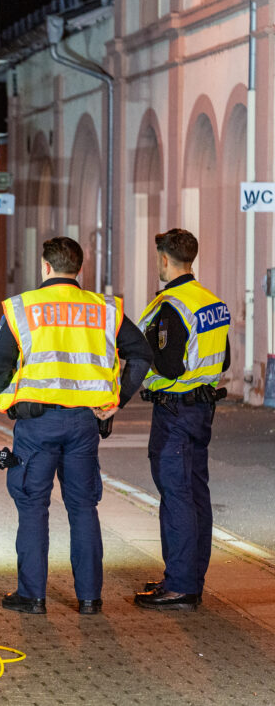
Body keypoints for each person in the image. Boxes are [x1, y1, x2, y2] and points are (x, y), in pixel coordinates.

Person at [0, 236, 152, 615]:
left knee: (33, 505)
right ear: (80, 269)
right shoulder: (103, 309)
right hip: (84, 423)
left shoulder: (23, 308)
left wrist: (13, 405)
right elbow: (141, 353)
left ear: (45, 266)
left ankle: (32, 596)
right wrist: (116, 401)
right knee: (83, 507)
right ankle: (90, 599)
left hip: (37, 424)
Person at [133, 229, 230, 611]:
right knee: (195, 494)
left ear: (164, 259)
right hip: (202, 409)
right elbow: (224, 360)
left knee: (176, 497)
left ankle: (179, 587)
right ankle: (189, 577)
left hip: (173, 412)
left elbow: (170, 365)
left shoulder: (171, 305)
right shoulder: (210, 303)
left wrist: (143, 352)